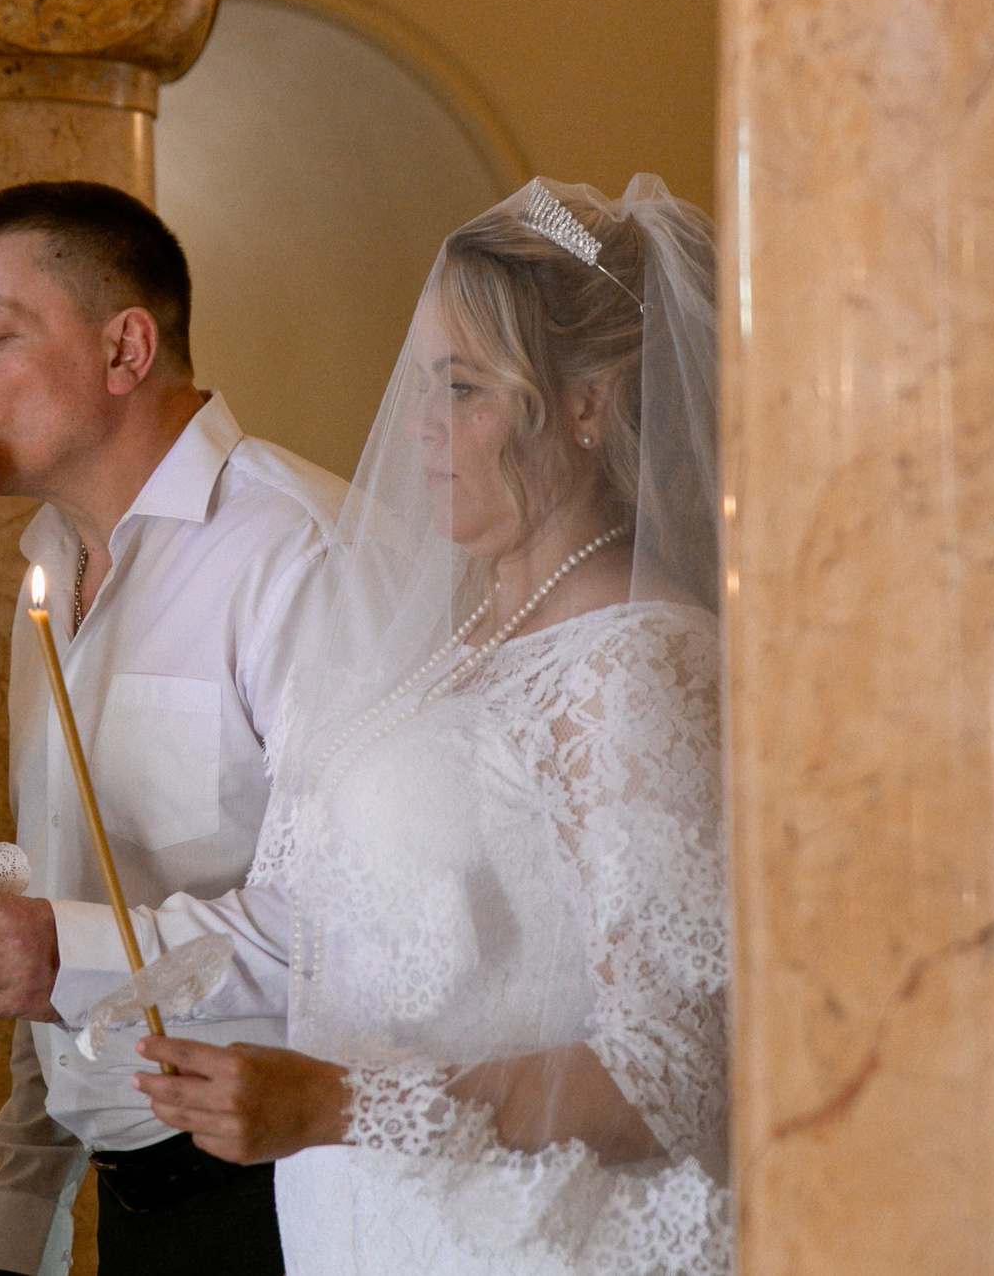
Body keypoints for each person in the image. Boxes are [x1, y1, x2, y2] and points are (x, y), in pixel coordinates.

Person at [89, 177, 731, 1273]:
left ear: (587, 402)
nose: (422, 432)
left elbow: (679, 1066)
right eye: (420, 386)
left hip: (541, 1246)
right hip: (378, 1231)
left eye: (465, 390)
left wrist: (344, 1106)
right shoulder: (451, 644)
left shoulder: (632, 662)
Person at [0, 182, 345, 1276]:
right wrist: (15, 1237)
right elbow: (61, 913)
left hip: (291, 1192)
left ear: (125, 349)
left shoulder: (296, 557)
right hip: (125, 1194)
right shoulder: (50, 559)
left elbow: (359, 924)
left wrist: (62, 951)